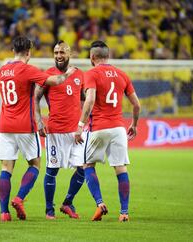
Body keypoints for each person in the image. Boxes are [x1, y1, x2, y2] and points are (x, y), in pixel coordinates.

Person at [0, 36, 76, 222]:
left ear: (13, 50)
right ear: (28, 52)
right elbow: (54, 81)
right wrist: (69, 74)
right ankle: (19, 197)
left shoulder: (2, 70)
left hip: (5, 126)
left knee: (6, 169)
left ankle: (4, 213)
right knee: (35, 164)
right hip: (24, 126)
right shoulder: (28, 70)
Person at [75, 41, 140, 222]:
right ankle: (124, 212)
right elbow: (136, 104)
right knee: (120, 168)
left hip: (99, 127)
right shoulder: (122, 74)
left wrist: (80, 125)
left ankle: (99, 202)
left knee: (88, 165)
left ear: (92, 57)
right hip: (119, 128)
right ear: (108, 56)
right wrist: (134, 124)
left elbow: (89, 100)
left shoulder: (91, 74)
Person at [34, 40, 85, 219]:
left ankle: (68, 203)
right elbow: (35, 98)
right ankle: (49, 210)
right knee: (52, 171)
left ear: (69, 53)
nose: (59, 56)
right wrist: (39, 121)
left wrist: (84, 123)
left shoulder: (79, 75)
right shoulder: (48, 75)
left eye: (62, 52)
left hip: (76, 132)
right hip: (55, 131)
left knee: (83, 169)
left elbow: (84, 100)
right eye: (56, 53)